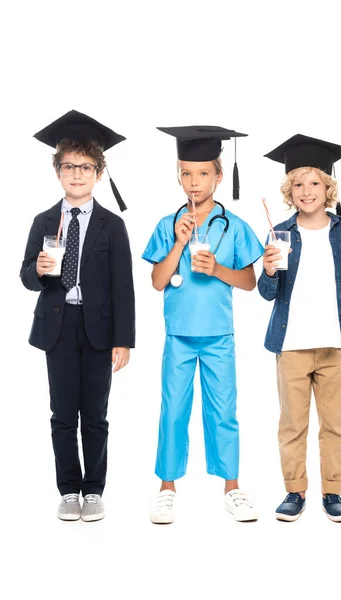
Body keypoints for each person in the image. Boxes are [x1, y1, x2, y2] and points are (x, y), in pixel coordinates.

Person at [142, 125, 263, 523]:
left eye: (203, 173)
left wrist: (218, 269)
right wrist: (178, 243)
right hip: (179, 336)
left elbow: (249, 282)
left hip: (218, 336)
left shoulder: (235, 226)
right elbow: (159, 281)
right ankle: (166, 488)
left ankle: (232, 487)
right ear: (178, 175)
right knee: (173, 410)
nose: (194, 182)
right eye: (186, 174)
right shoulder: (167, 224)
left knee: (223, 411)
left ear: (219, 176)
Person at [258, 134, 341, 522]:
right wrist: (269, 268)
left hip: (333, 345)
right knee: (292, 424)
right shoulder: (279, 234)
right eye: (298, 184)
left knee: (334, 424)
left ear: (328, 187)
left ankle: (333, 492)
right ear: (288, 190)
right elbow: (266, 292)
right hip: (291, 345)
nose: (306, 191)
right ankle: (295, 491)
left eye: (315, 183)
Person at [20, 110, 135, 521]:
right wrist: (37, 270)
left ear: (99, 173)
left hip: (99, 329)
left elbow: (124, 287)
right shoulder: (44, 221)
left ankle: (95, 488)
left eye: (85, 167)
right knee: (63, 413)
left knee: (96, 414)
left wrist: (124, 339)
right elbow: (25, 276)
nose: (77, 174)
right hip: (58, 325)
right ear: (57, 171)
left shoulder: (111, 225)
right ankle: (69, 490)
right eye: (68, 166)